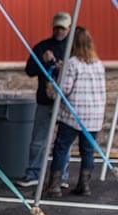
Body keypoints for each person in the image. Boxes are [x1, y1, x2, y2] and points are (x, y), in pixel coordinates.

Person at [45, 27, 106, 198]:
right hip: (94, 116)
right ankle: (84, 185)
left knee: (61, 148)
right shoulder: (98, 64)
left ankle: (54, 186)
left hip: (73, 115)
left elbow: (64, 89)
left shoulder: (72, 63)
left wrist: (51, 88)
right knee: (87, 151)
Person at [17, 12, 72, 188]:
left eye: (62, 28)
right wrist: (42, 60)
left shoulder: (73, 49)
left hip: (65, 101)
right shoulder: (42, 47)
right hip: (45, 100)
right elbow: (30, 70)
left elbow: (73, 74)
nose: (59, 31)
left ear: (69, 28)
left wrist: (57, 64)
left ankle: (61, 176)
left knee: (64, 141)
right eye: (56, 27)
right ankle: (33, 173)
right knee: (38, 139)